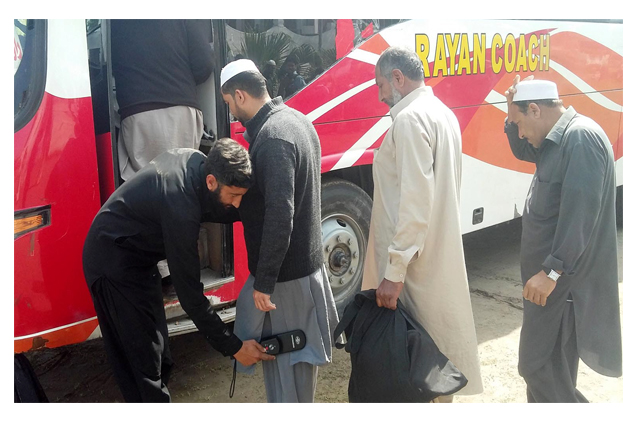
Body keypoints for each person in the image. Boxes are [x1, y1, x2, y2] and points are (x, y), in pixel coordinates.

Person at [82, 139, 275, 403]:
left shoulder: (199, 164)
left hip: (140, 260)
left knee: (162, 356)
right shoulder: (180, 206)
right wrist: (234, 348)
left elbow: (218, 205)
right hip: (112, 263)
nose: (238, 203)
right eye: (234, 196)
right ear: (211, 181)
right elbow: (190, 296)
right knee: (144, 366)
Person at [361, 46, 483, 401]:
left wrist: (394, 272)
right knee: (435, 360)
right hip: (434, 256)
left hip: (413, 268)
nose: (381, 94)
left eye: (380, 84)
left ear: (398, 78)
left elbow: (415, 203)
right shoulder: (441, 112)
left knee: (415, 360)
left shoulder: (410, 119)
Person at [219, 59, 340, 403]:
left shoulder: (272, 139)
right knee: (297, 375)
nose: (231, 111)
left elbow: (280, 214)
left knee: (288, 380)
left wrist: (265, 281)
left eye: (229, 103)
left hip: (285, 282)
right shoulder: (296, 119)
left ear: (240, 95)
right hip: (303, 271)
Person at [504, 76, 622, 402]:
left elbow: (581, 217)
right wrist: (509, 114)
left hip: (561, 289)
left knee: (539, 369)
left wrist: (552, 272)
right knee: (548, 375)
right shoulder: (555, 139)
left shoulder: (580, 139)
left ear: (535, 110)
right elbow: (520, 147)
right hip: (547, 287)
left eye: (521, 123)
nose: (521, 133)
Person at [111, 19, 215, 181]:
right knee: (180, 179)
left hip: (136, 112)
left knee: (145, 185)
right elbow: (204, 64)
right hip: (180, 107)